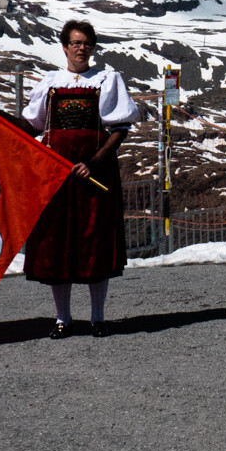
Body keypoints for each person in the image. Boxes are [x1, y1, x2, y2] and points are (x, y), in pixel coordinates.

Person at [23, 19, 141, 339]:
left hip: (95, 172)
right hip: (56, 175)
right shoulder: (49, 82)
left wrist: (95, 162)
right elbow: (31, 127)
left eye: (87, 42)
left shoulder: (106, 80)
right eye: (75, 42)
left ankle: (98, 318)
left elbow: (120, 130)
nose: (81, 48)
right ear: (64, 47)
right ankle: (62, 318)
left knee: (94, 242)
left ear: (93, 47)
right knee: (59, 242)